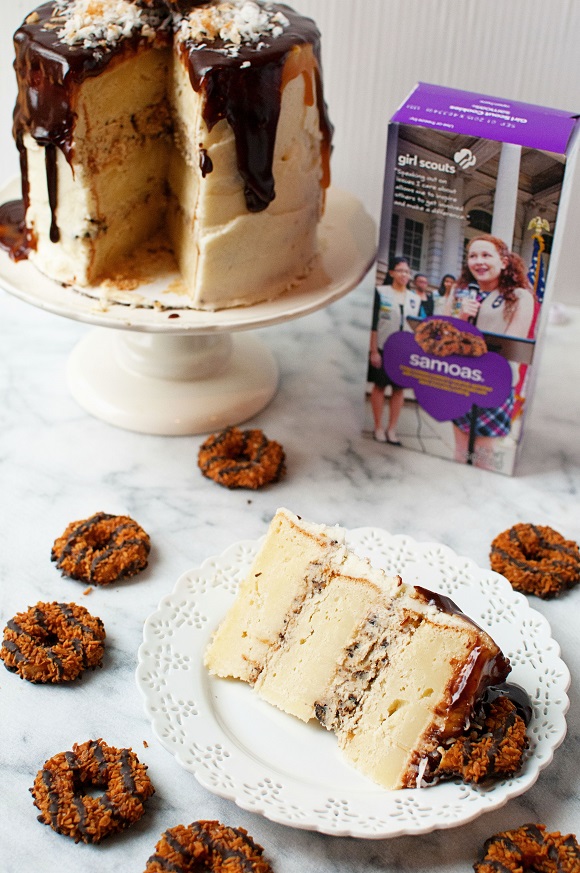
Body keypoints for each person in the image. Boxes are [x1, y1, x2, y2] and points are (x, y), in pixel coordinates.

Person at [448, 235, 536, 467]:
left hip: (494, 384)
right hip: (459, 380)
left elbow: (509, 346)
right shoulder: (459, 291)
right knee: (460, 452)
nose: (479, 261)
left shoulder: (520, 297)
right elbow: (440, 336)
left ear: (504, 261)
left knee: (482, 457)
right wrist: (461, 317)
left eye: (486, 255)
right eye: (473, 256)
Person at [368, 256, 417, 445]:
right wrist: (373, 351)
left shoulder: (414, 299)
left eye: (407, 271)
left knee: (398, 390)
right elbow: (373, 324)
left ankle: (392, 429)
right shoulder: (381, 292)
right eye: (400, 270)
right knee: (380, 387)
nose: (404, 274)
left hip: (404, 352)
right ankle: (378, 426)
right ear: (391, 273)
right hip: (382, 348)